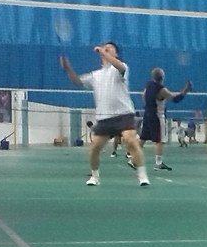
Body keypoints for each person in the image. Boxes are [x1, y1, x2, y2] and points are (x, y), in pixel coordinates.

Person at [60, 42, 150, 187]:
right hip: (104, 118)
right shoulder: (95, 75)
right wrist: (68, 68)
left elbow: (119, 66)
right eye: (105, 46)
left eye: (110, 47)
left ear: (116, 54)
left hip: (124, 114)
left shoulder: (121, 68)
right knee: (94, 148)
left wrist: (103, 52)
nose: (107, 47)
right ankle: (95, 177)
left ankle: (142, 176)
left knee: (131, 140)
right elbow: (77, 81)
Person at [141, 68, 192, 171]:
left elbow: (143, 95)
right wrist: (185, 90)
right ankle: (158, 163)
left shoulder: (148, 86)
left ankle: (133, 158)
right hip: (157, 116)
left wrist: (149, 106)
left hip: (147, 114)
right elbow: (175, 99)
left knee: (143, 138)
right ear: (162, 77)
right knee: (160, 140)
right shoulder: (162, 89)